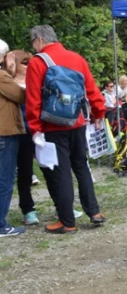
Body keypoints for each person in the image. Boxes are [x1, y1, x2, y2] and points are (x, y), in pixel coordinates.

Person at [26, 25, 108, 233]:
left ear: (39, 40)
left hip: (53, 124)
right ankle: (94, 211)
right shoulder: (76, 58)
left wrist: (35, 128)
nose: (33, 46)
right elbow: (91, 89)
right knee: (81, 166)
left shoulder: (37, 62)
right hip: (77, 121)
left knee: (61, 172)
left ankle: (67, 221)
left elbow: (33, 99)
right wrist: (99, 113)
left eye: (33, 42)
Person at [5, 49, 39, 226]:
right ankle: (28, 209)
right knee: (25, 173)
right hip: (22, 133)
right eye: (25, 63)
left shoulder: (36, 81)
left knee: (53, 170)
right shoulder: (8, 83)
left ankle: (61, 206)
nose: (29, 65)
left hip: (40, 131)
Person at [0, 39, 26, 238]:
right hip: (5, 134)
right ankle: (1, 225)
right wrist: (18, 75)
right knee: (5, 180)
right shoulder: (1, 77)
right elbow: (21, 95)